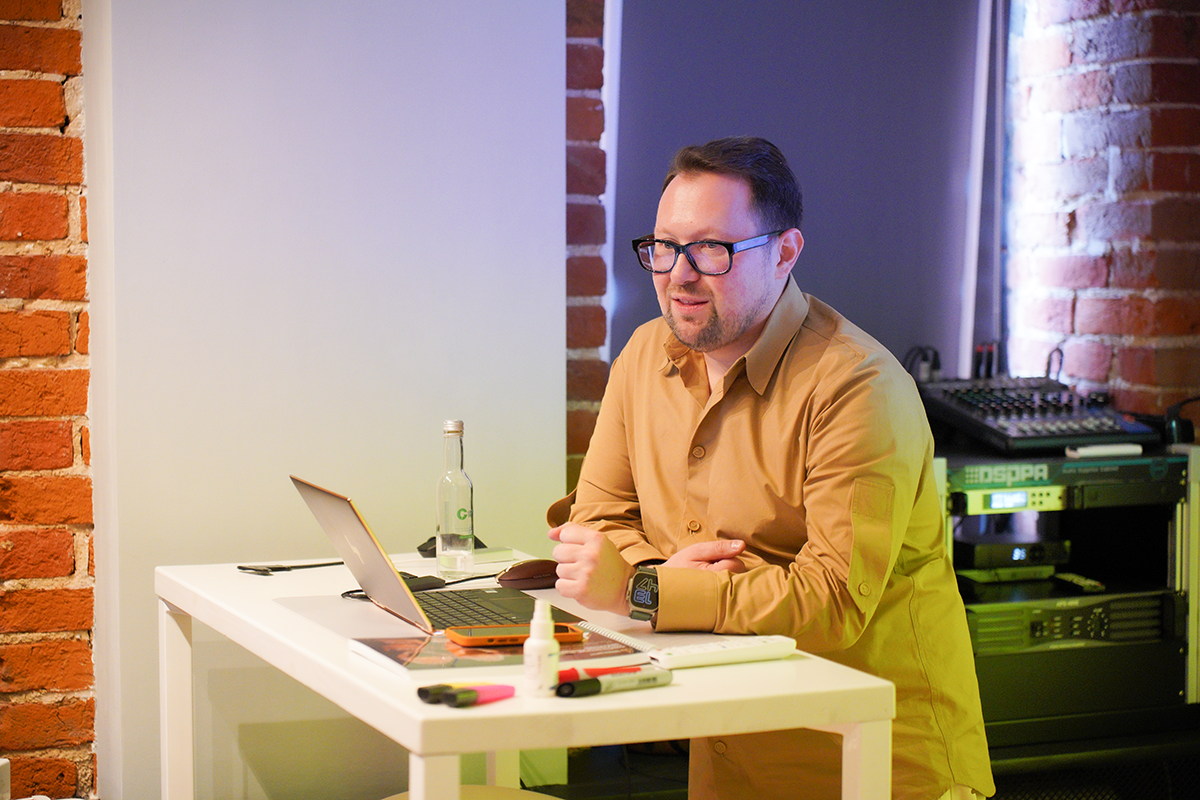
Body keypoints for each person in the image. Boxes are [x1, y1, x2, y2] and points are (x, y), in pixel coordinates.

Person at [547, 136, 994, 800]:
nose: (679, 275)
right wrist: (659, 575)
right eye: (664, 247)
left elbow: (833, 599)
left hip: (872, 763)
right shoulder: (644, 356)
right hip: (728, 752)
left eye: (711, 249)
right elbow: (599, 517)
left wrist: (645, 591)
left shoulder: (858, 387)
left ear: (785, 252)